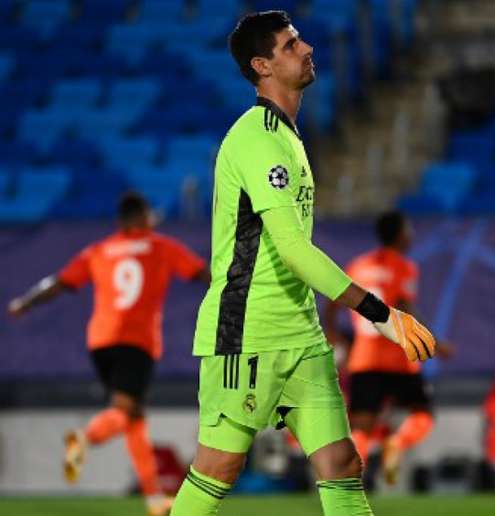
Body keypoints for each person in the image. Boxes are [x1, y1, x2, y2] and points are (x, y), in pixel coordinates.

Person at [170, 11, 436, 516]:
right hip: (248, 333)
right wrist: (382, 315)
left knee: (341, 463)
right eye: (291, 45)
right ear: (261, 66)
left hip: (301, 335)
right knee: (217, 469)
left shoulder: (289, 137)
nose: (307, 47)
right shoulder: (257, 139)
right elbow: (292, 249)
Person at [7, 192, 209, 516]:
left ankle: (154, 499)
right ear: (143, 218)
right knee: (125, 410)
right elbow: (201, 272)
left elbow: (57, 282)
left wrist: (25, 302)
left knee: (133, 417)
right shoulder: (160, 246)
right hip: (137, 340)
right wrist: (233, 289)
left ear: (120, 222)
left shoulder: (99, 250)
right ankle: (85, 437)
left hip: (100, 341)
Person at [323, 211, 452, 485]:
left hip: (364, 359)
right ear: (399, 235)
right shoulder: (404, 267)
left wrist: (335, 336)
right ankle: (398, 441)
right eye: (408, 229)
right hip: (398, 357)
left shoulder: (357, 266)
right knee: (422, 413)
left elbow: (333, 304)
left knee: (361, 427)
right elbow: (404, 306)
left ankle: (351, 482)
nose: (411, 235)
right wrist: (432, 340)